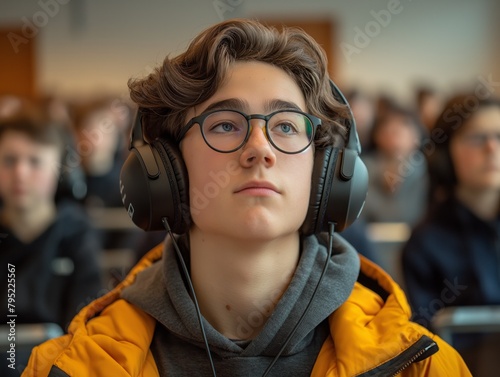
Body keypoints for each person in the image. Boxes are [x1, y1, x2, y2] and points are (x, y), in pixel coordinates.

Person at [23, 19, 470, 376]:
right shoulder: (67, 368)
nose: (260, 148)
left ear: (328, 175)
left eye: (287, 126)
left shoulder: (422, 367)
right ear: (164, 170)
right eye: (224, 125)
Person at [0, 102, 104, 375]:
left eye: (34, 161)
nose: (20, 173)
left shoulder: (78, 234)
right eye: (9, 160)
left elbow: (85, 327)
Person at [402, 94, 500, 376]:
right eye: (477, 137)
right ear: (446, 153)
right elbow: (425, 345)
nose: (492, 147)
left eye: (499, 136)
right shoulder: (424, 242)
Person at [360, 105, 429, 226]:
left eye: (405, 124)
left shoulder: (424, 168)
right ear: (377, 135)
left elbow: (410, 214)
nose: (395, 129)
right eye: (387, 124)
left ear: (417, 136)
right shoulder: (364, 167)